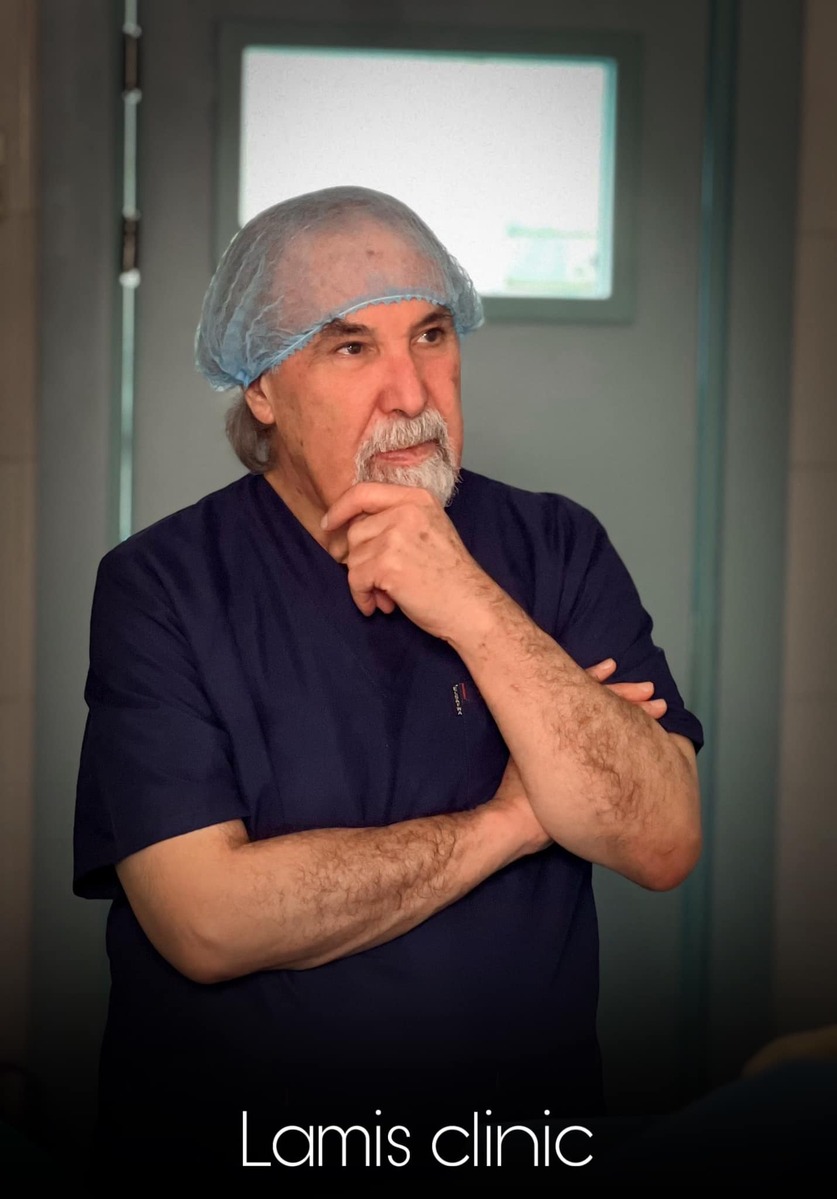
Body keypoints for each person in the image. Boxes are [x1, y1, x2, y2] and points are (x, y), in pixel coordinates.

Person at [73, 185, 703, 1174]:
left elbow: (663, 836)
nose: (411, 393)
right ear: (263, 387)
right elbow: (206, 920)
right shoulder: (164, 586)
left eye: (432, 335)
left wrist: (468, 600)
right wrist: (514, 821)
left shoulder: (553, 547)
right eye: (351, 347)